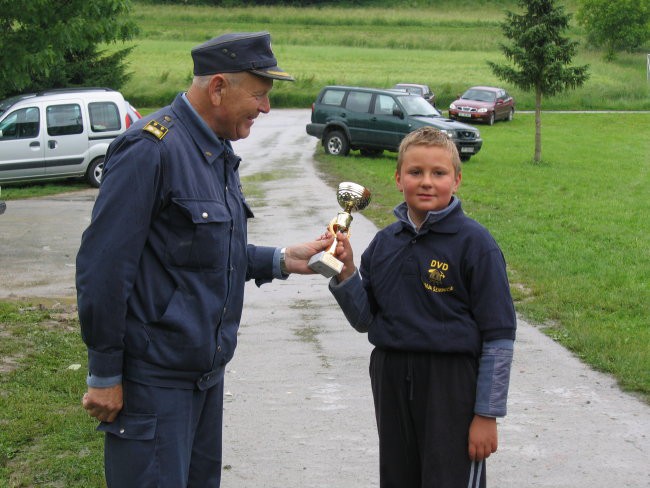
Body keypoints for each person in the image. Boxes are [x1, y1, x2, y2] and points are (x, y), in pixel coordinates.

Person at [76, 31, 334, 488]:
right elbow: (104, 269)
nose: (266, 108)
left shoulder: (215, 151)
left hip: (203, 379)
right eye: (259, 96)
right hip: (153, 386)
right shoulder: (150, 150)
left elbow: (203, 252)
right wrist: (104, 374)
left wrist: (280, 259)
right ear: (218, 87)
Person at [328, 127, 516, 488]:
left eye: (439, 173)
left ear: (457, 179)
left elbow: (499, 336)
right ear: (398, 178)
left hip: (451, 384)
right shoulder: (383, 244)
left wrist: (487, 414)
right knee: (399, 478)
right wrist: (347, 273)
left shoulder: (476, 245)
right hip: (391, 376)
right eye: (415, 173)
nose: (426, 182)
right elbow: (366, 319)